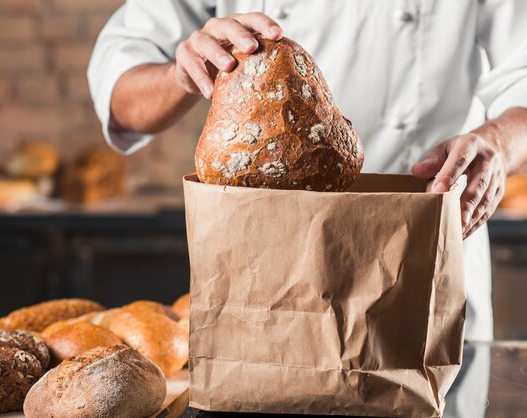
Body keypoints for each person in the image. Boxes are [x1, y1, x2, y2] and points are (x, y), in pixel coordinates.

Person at [88, 0, 527, 341]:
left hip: (418, 264)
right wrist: (181, 77)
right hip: (265, 276)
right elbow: (121, 95)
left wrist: (497, 144)